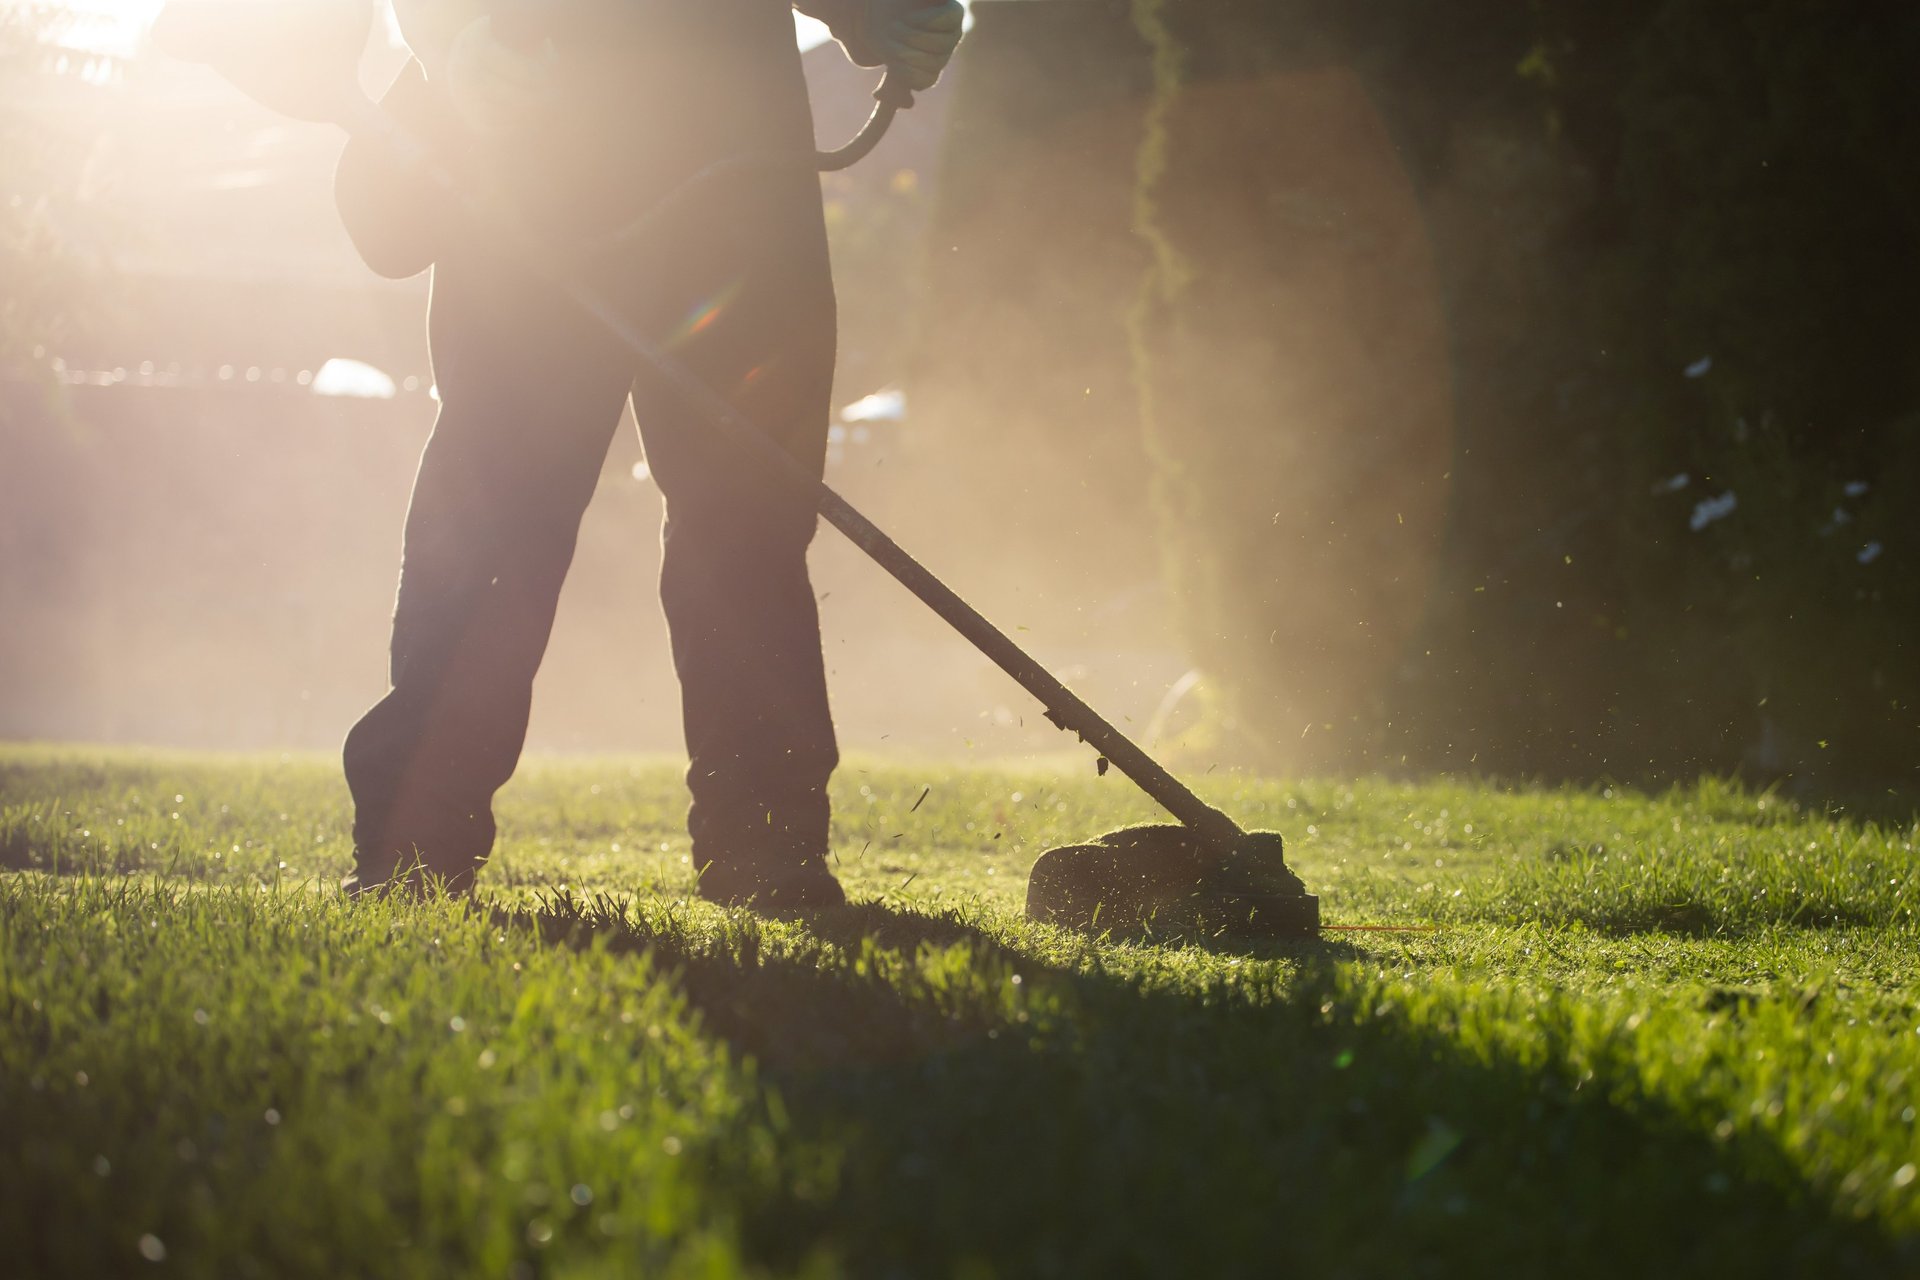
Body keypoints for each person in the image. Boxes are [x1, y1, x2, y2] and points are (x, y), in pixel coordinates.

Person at [337, 0, 964, 904]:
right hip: (533, 149)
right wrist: (454, 39)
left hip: (732, 171)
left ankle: (766, 849)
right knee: (496, 514)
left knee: (747, 521)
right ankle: (415, 846)